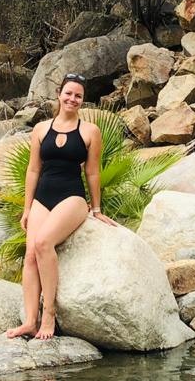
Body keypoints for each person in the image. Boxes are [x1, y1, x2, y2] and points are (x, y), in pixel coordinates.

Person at [7, 73, 116, 340]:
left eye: (78, 95)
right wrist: (27, 208)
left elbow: (92, 173)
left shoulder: (90, 131)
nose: (72, 99)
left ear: (82, 100)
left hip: (72, 198)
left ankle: (49, 314)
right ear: (59, 94)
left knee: (44, 243)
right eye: (68, 93)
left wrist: (97, 209)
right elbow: (33, 170)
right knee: (31, 254)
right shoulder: (41, 129)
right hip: (42, 197)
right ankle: (30, 321)